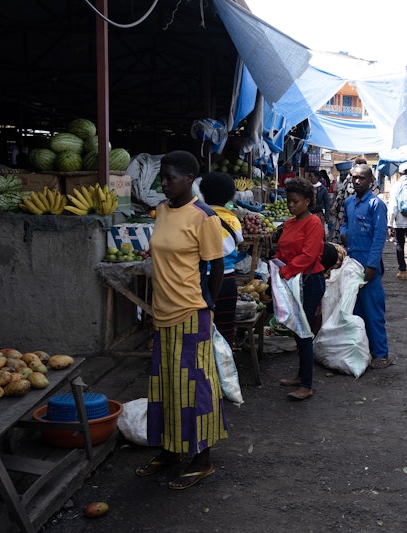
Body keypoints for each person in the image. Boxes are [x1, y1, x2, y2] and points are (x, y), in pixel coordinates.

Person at [136, 150, 226, 490]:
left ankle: (203, 459)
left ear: (190, 178)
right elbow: (166, 247)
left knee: (195, 386)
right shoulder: (160, 210)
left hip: (191, 313)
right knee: (164, 386)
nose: (164, 182)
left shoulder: (204, 217)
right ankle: (171, 450)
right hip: (161, 312)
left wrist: (209, 302)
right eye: (163, 176)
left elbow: (215, 266)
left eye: (170, 177)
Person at [274, 177, 326, 400]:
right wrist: (276, 262)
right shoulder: (289, 223)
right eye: (289, 201)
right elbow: (283, 249)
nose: (291, 205)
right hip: (293, 279)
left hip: (309, 280)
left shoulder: (314, 223)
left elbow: (309, 254)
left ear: (307, 201)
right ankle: (300, 375)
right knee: (296, 328)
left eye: (295, 201)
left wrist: (285, 271)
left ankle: (307, 384)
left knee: (304, 330)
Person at [340, 164, 391, 369]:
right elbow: (344, 222)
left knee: (373, 311)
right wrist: (344, 231)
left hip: (369, 265)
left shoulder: (376, 204)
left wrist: (372, 265)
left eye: (361, 178)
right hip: (352, 263)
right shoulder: (349, 202)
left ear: (371, 180)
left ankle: (381, 354)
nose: (357, 181)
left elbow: (380, 237)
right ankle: (362, 351)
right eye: (354, 178)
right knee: (356, 311)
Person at [199, 172, 243, 351]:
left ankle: (202, 373)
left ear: (202, 193)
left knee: (201, 330)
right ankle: (224, 371)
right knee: (225, 332)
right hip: (227, 281)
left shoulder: (198, 216)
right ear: (230, 196)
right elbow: (237, 241)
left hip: (200, 280)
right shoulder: (233, 220)